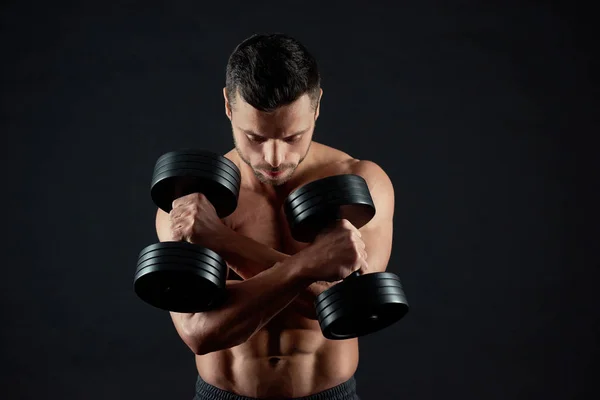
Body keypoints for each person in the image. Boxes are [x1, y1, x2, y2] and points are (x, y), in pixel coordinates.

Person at [155, 33, 395, 400]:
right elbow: (199, 332)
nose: (273, 158)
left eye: (292, 137)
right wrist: (312, 264)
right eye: (254, 137)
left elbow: (348, 309)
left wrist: (222, 241)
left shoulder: (362, 184)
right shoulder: (191, 202)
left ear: (316, 108)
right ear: (228, 107)